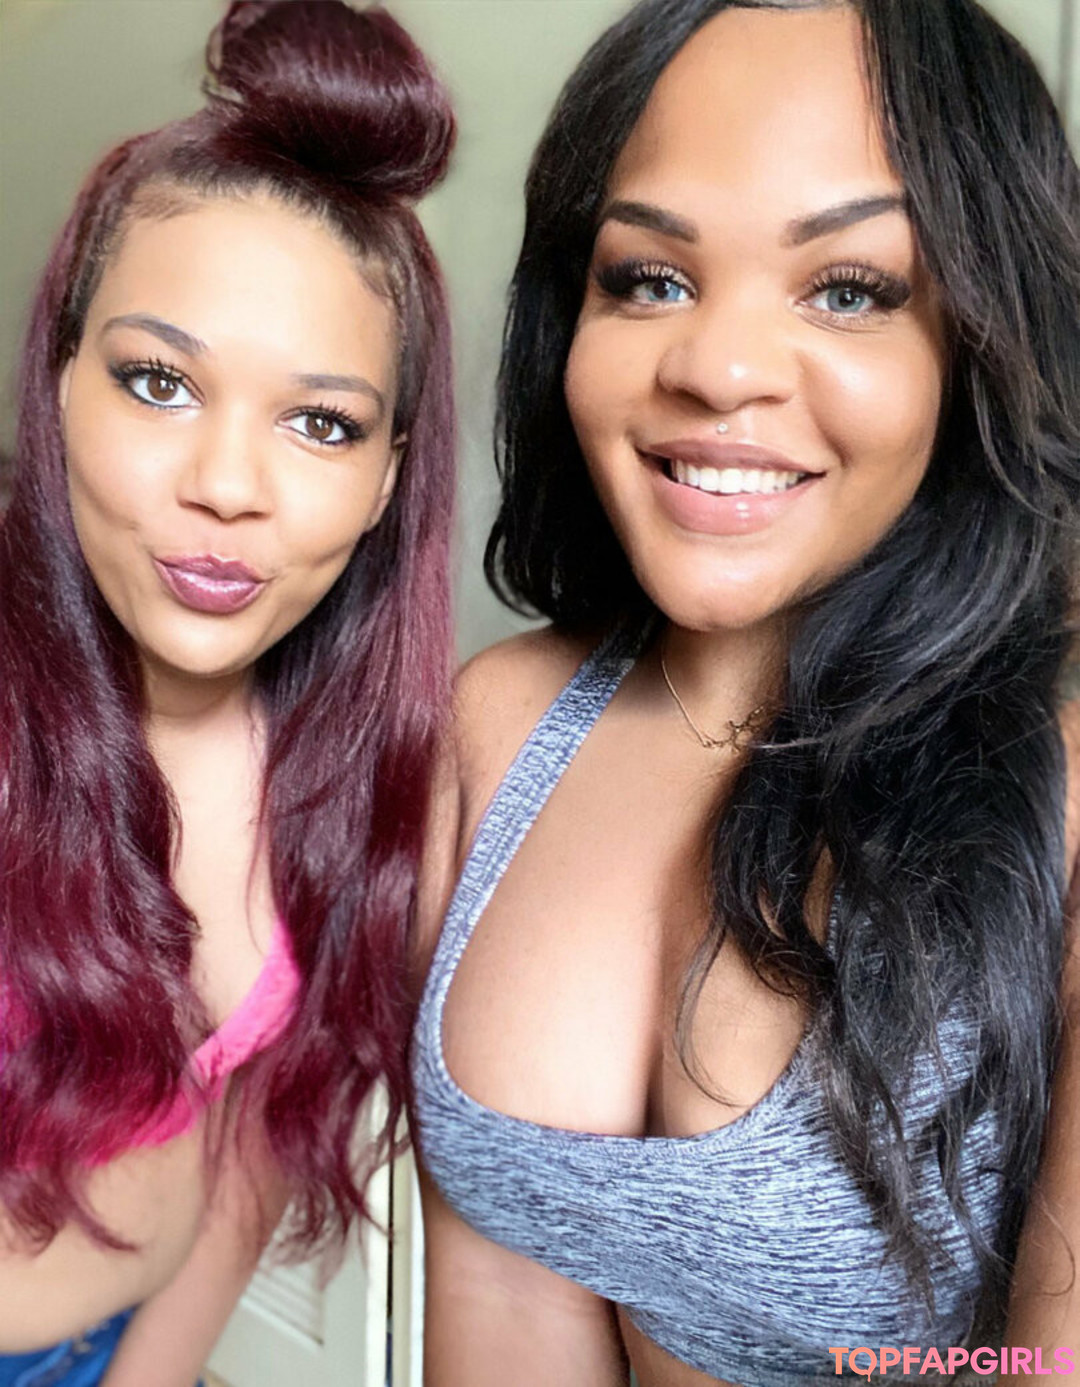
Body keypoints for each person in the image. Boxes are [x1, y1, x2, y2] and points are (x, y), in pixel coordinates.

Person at [411, 0, 1080, 1382]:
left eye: (851, 289)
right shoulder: (494, 725)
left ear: (982, 339)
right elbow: (505, 1294)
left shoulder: (1064, 797)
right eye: (650, 277)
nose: (714, 368)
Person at [0, 1, 455, 1382]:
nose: (228, 486)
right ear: (59, 380)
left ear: (387, 476)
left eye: (320, 422)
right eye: (158, 382)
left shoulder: (355, 775)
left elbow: (251, 1157)